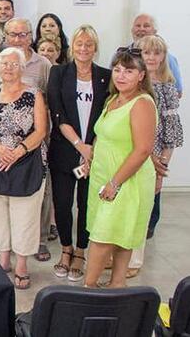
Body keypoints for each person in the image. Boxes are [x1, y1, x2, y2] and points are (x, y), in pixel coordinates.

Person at [84, 48, 157, 289]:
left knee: (103, 237)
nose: (121, 75)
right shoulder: (113, 99)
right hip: (102, 175)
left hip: (127, 179)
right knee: (118, 232)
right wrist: (90, 160)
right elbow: (102, 135)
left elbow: (143, 149)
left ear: (141, 75)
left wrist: (115, 183)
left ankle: (88, 287)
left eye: (129, 71)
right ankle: (117, 285)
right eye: (117, 70)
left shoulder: (142, 103)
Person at [0, 47, 48, 290]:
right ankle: (4, 258)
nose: (8, 68)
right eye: (4, 63)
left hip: (27, 162)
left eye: (13, 64)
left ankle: (22, 266)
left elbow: (41, 130)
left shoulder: (34, 95)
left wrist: (16, 152)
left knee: (25, 215)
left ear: (22, 67)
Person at [47, 25, 110, 282]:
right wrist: (79, 145)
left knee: (87, 206)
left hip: (94, 153)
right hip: (65, 150)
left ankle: (81, 252)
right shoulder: (59, 72)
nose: (84, 49)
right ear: (72, 46)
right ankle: (65, 249)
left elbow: (108, 114)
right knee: (63, 204)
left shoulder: (106, 76)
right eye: (79, 44)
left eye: (89, 44)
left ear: (95, 48)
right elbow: (57, 111)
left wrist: (91, 148)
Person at [127, 35, 183, 277]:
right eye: (146, 53)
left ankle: (134, 260)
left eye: (156, 53)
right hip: (126, 154)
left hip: (153, 158)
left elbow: (171, 131)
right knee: (123, 209)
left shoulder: (167, 87)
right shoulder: (130, 84)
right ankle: (117, 254)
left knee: (141, 210)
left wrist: (162, 165)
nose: (151, 58)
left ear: (163, 57)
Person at [0, 18, 51, 94]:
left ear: (30, 36)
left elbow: (51, 99)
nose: (17, 40)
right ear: (5, 37)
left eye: (22, 35)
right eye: (12, 35)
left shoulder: (43, 64)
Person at [130, 14, 183, 96]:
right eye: (138, 26)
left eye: (146, 26)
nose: (141, 29)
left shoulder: (169, 59)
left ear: (154, 31)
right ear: (132, 30)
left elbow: (178, 91)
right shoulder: (120, 54)